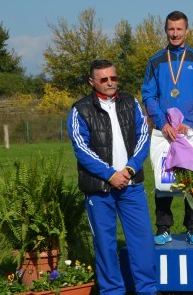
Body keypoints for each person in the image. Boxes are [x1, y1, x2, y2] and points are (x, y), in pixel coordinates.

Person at [67, 59, 157, 294]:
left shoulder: (131, 102)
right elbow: (81, 149)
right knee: (106, 247)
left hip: (131, 185)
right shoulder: (80, 109)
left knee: (143, 244)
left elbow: (143, 137)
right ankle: (112, 291)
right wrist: (110, 175)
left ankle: (147, 289)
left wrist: (128, 170)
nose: (110, 83)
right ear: (92, 82)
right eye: (104, 79)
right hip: (99, 189)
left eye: (113, 78)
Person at [142, 10, 193, 245]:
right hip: (165, 132)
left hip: (188, 130)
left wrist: (188, 122)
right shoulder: (156, 61)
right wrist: (162, 122)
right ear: (166, 30)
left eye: (179, 29)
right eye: (171, 29)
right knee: (164, 179)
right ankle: (163, 228)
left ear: (187, 30)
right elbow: (149, 95)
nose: (175, 34)